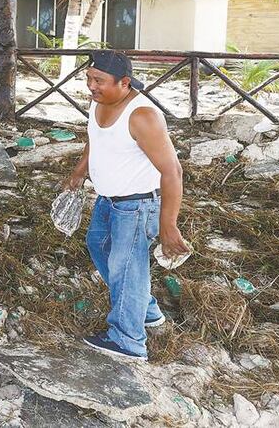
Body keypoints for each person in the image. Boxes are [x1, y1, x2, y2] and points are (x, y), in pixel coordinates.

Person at [63, 50, 186, 361]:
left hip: (137, 206)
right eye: (89, 78)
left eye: (99, 81)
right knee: (97, 245)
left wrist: (168, 224)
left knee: (127, 269)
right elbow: (96, 138)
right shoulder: (99, 102)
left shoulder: (141, 116)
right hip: (108, 199)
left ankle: (128, 341)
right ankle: (145, 309)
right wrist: (79, 172)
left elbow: (172, 170)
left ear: (125, 82)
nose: (91, 86)